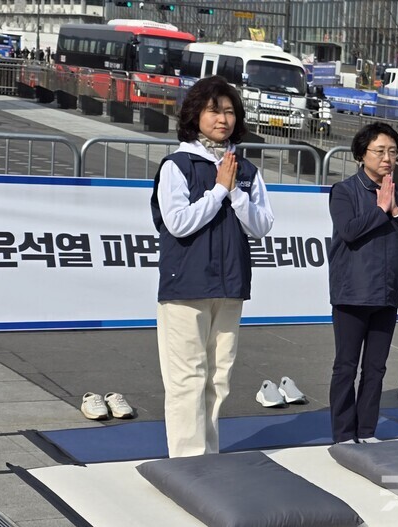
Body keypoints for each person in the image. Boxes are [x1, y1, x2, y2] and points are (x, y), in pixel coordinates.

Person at [151, 75, 275, 457]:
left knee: (219, 378)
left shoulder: (247, 170)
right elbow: (177, 222)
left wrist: (234, 190)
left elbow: (262, 225)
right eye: (213, 110)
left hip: (230, 284)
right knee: (187, 377)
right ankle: (189, 462)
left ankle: (209, 454)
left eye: (229, 111)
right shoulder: (178, 165)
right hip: (187, 285)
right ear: (195, 115)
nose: (223, 118)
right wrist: (219, 189)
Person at [328, 123, 398, 444]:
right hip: (352, 294)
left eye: (393, 151)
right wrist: (380, 209)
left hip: (387, 294)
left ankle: (366, 431)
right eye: (380, 151)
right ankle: (344, 433)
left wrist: (396, 209)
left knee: (376, 369)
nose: (387, 158)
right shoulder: (344, 191)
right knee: (346, 367)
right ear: (361, 155)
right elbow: (350, 230)